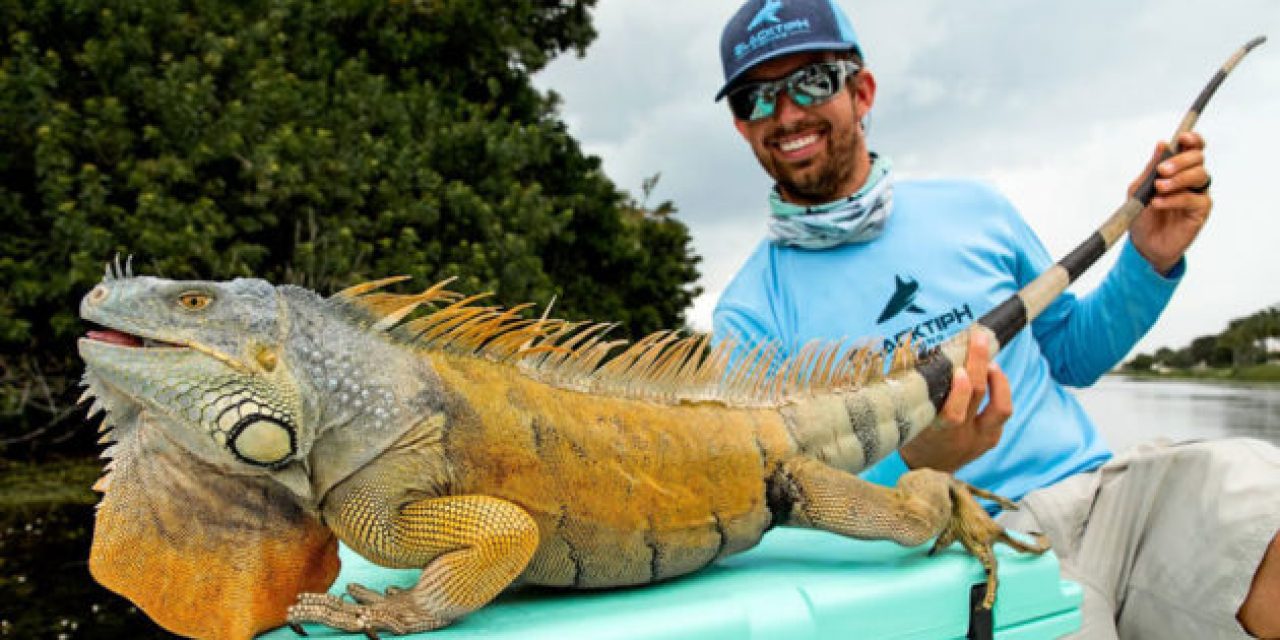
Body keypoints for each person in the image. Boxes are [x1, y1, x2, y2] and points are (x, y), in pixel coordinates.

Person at [709, 1, 1280, 638]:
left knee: (1260, 497)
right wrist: (919, 465)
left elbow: (1073, 355)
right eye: (754, 98)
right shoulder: (748, 313)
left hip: (1104, 496)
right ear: (740, 125)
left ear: (861, 90)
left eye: (811, 81)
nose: (784, 114)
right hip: (965, 548)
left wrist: (1148, 256)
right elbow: (784, 496)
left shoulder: (976, 209)